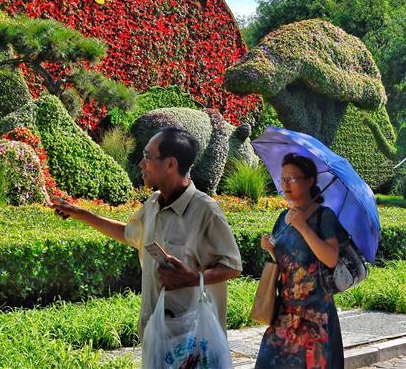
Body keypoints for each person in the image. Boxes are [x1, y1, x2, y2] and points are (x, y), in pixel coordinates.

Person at [50, 126, 243, 339]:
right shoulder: (153, 203)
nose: (141, 164)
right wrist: (79, 213)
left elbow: (232, 266)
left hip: (193, 341)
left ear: (170, 164)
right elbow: (128, 234)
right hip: (156, 333)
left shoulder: (206, 211)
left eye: (147, 157)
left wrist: (192, 278)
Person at [255, 153, 346, 369]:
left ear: (310, 181)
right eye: (283, 178)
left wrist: (303, 227)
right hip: (285, 312)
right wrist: (270, 249)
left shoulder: (324, 217)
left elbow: (331, 259)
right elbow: (288, 261)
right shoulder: (283, 217)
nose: (285, 184)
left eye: (292, 178)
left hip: (315, 315)